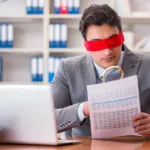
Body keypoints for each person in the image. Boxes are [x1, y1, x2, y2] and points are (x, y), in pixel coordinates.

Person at [51, 4, 150, 137]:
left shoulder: (147, 65)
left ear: (122, 36)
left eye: (113, 40)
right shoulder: (68, 69)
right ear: (86, 45)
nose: (107, 51)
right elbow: (48, 118)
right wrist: (83, 109)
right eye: (97, 44)